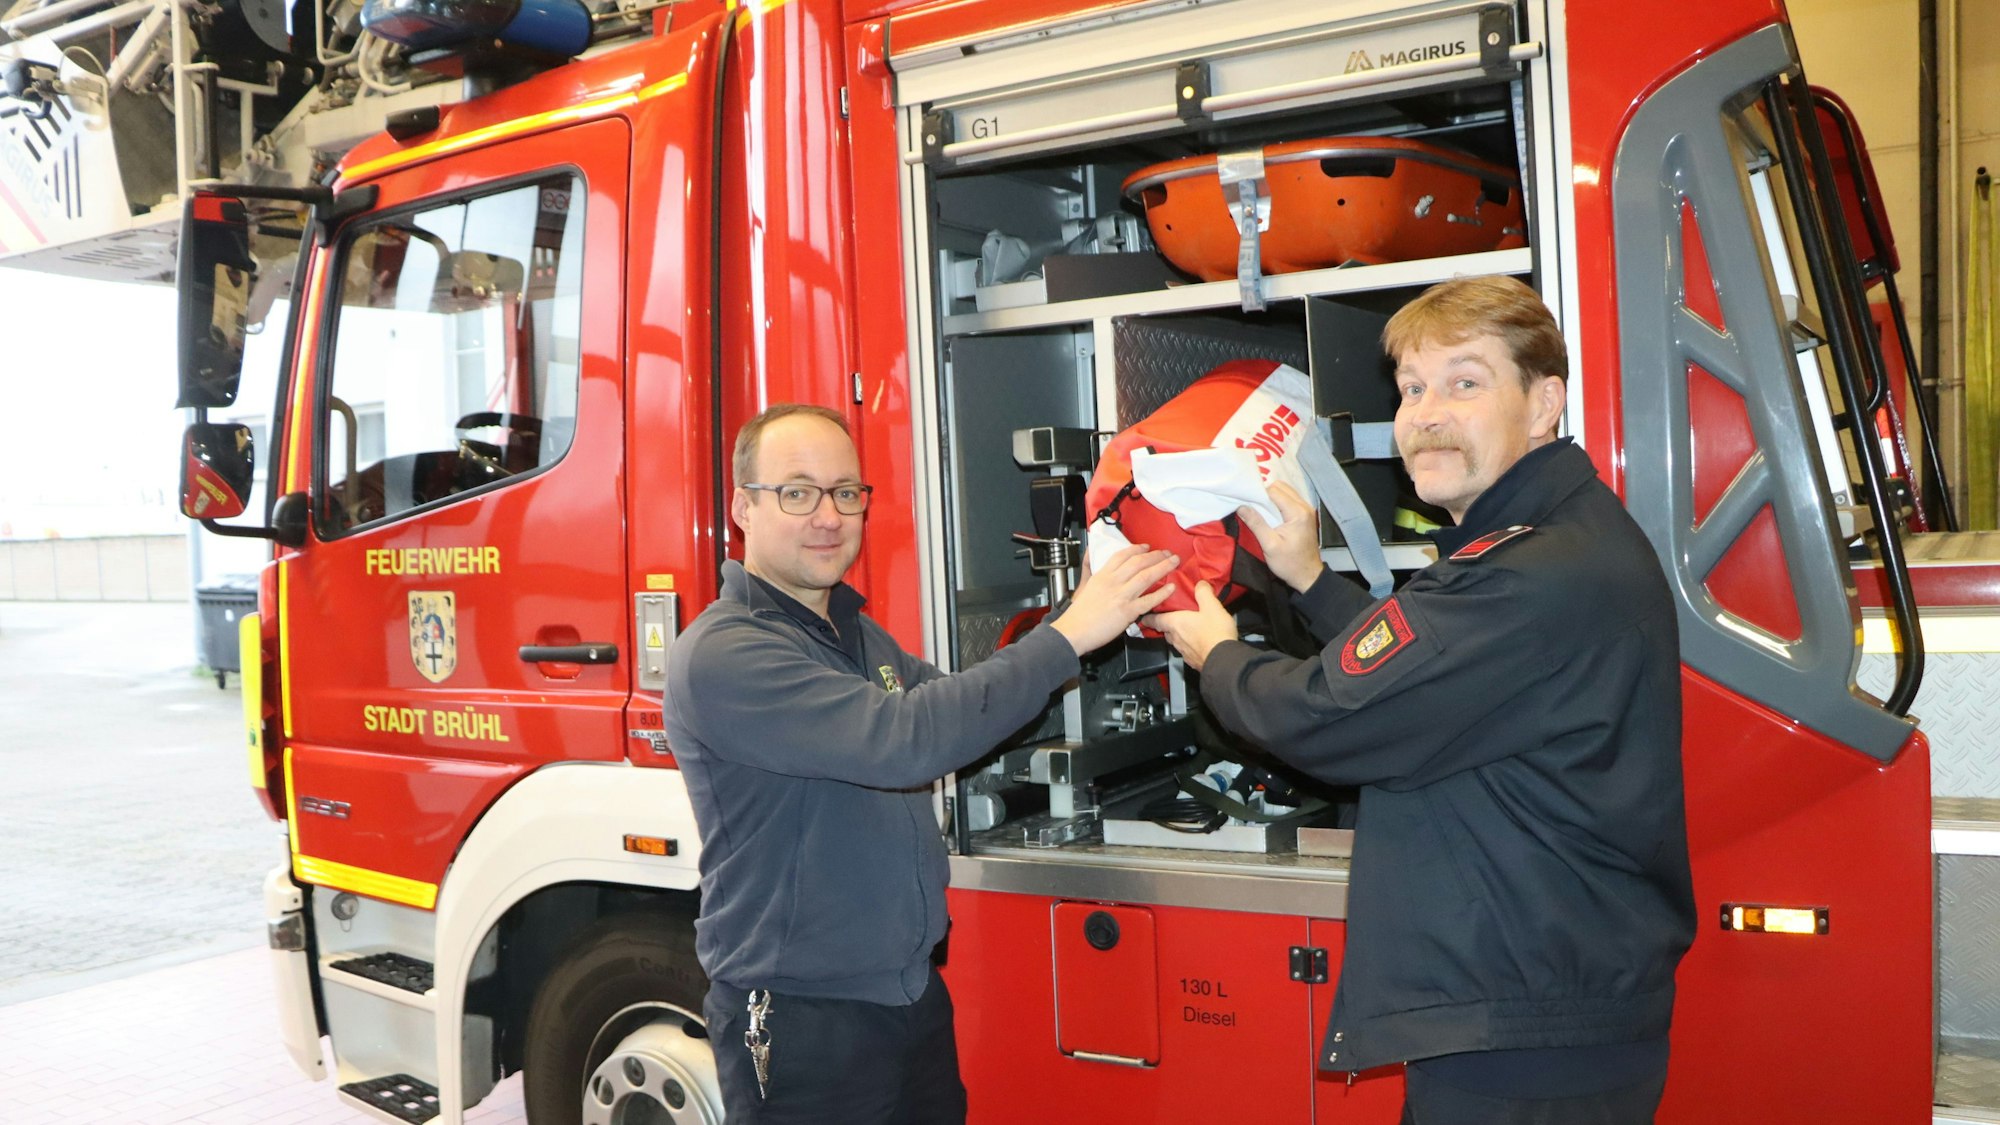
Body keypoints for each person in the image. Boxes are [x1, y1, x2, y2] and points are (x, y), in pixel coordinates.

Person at [1147, 275, 1696, 1124]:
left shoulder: (1527, 575)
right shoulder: (1556, 539)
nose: (1426, 413)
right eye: (1411, 388)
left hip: (1525, 1046)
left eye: (1465, 382)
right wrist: (1305, 576)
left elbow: (1330, 715)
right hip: (1544, 1015)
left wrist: (1215, 651)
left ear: (1545, 402)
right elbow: (1430, 676)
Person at [663, 403, 1176, 1123]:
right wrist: (1067, 634)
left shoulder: (854, 634)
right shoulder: (726, 652)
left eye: (847, 492)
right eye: (798, 491)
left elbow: (959, 712)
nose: (828, 515)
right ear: (743, 507)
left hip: (906, 1002)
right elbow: (907, 738)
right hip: (806, 1018)